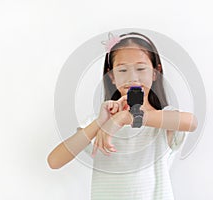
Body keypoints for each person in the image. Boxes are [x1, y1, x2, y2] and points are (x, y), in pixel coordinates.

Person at [47, 32, 198, 200]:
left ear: (155, 72)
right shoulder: (101, 121)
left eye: (141, 69)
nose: (132, 77)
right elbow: (54, 161)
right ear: (111, 76)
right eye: (123, 70)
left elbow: (191, 122)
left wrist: (127, 117)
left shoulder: (162, 119)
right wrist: (101, 122)